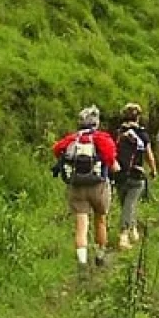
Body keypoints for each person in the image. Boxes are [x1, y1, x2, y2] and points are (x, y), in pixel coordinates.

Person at [53, 106, 120, 267]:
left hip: (76, 186)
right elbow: (111, 159)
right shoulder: (102, 138)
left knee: (81, 225)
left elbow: (56, 150)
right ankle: (100, 254)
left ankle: (82, 261)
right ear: (96, 123)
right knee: (100, 220)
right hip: (98, 185)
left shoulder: (71, 139)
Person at [113, 103, 157, 250]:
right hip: (136, 174)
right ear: (138, 116)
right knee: (130, 205)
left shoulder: (119, 132)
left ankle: (133, 231)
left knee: (126, 204)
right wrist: (153, 169)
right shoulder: (142, 133)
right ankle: (124, 235)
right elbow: (149, 154)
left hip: (119, 174)